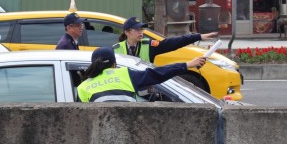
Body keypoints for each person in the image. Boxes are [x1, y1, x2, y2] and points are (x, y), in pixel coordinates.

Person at [77, 47, 206, 103]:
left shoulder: (83, 87)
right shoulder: (125, 74)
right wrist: (187, 65)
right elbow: (158, 73)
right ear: (114, 64)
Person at [112, 17, 218, 63]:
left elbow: (173, 43)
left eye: (142, 29)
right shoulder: (115, 50)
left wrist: (198, 36)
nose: (141, 32)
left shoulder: (149, 46)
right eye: (137, 30)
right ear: (127, 32)